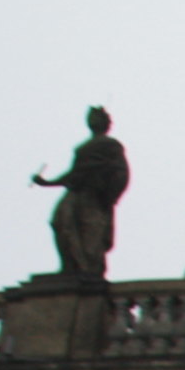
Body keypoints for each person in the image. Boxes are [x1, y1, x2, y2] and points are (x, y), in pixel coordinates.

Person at [31, 107, 128, 281]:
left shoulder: (111, 145)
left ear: (105, 123)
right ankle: (70, 267)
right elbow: (74, 174)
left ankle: (88, 272)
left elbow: (121, 172)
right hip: (76, 194)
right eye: (91, 117)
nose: (92, 120)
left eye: (96, 117)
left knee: (91, 237)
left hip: (94, 196)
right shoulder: (82, 148)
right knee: (61, 222)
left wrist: (109, 197)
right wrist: (47, 183)